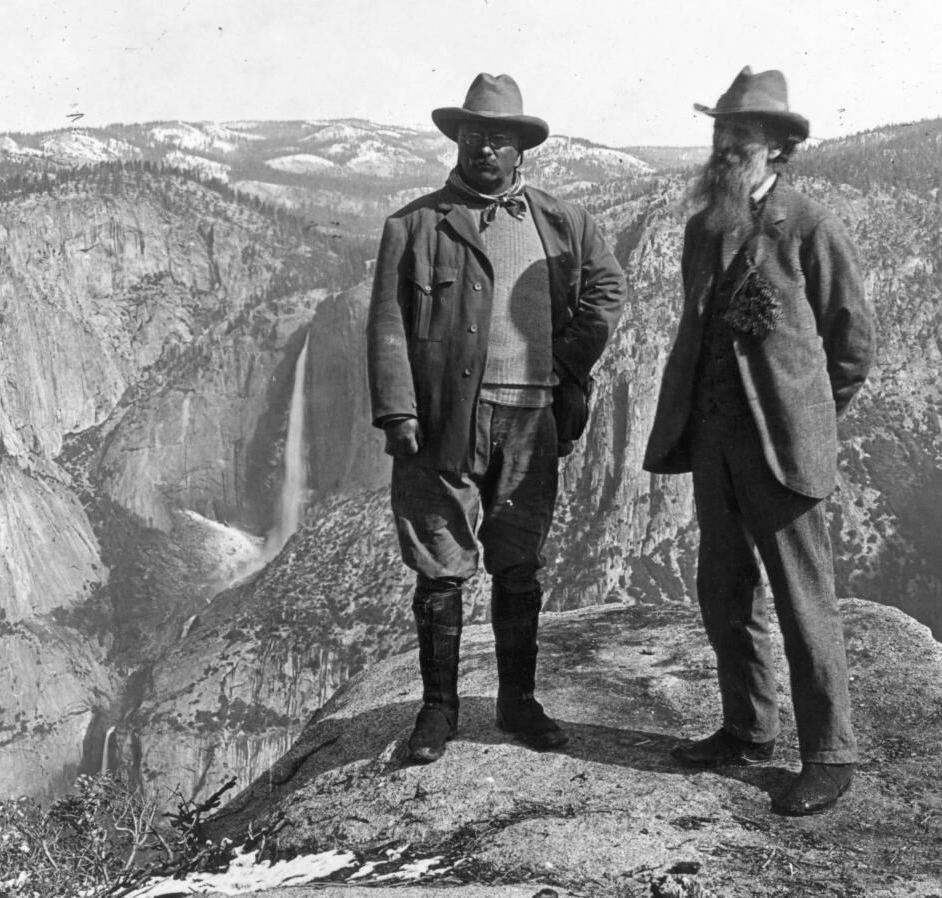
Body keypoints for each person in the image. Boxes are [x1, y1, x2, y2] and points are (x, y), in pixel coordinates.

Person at [368, 73, 625, 763]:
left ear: (522, 152)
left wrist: (568, 362)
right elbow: (389, 324)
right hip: (444, 421)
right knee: (439, 567)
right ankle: (438, 711)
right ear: (459, 141)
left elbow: (607, 289)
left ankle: (518, 702)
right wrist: (398, 410)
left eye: (501, 139)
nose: (486, 149)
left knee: (518, 566)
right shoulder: (414, 226)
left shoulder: (563, 222)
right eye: (475, 136)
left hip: (532, 418)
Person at [644, 67, 875, 815]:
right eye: (719, 134)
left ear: (777, 149)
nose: (723, 148)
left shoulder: (808, 226)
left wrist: (807, 414)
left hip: (782, 448)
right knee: (723, 588)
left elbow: (852, 346)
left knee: (804, 599)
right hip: (713, 442)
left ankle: (831, 754)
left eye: (738, 137)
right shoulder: (703, 226)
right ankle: (747, 729)